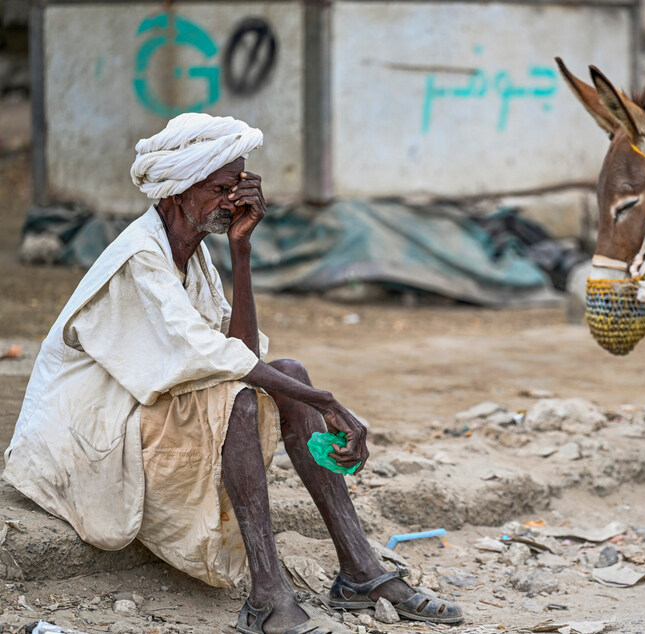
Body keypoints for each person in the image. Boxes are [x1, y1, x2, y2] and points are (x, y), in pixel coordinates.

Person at [3, 113, 463, 633]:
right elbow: (215, 358)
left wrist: (241, 250)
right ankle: (269, 595)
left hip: (138, 420)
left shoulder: (194, 257)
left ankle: (361, 569)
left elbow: (242, 352)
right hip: (86, 441)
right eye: (222, 189)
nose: (235, 201)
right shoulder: (139, 258)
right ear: (178, 192)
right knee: (242, 400)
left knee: (288, 372)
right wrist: (326, 402)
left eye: (240, 188)